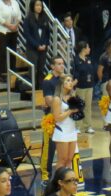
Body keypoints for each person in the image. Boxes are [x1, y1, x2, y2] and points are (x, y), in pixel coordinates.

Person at [41, 56, 65, 186]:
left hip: (63, 117)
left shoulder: (64, 79)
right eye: (59, 64)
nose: (62, 66)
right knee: (48, 149)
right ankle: (45, 175)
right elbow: (49, 101)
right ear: (52, 66)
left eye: (62, 64)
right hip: (50, 118)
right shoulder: (48, 81)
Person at [52, 75, 79, 170]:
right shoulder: (57, 99)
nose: (71, 82)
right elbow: (57, 118)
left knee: (69, 159)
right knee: (62, 160)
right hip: (62, 131)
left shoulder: (73, 96)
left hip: (72, 130)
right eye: (68, 80)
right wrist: (70, 111)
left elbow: (76, 114)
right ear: (62, 84)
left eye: (71, 80)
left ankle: (68, 182)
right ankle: (58, 182)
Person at [22, 0, 49, 89]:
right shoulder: (27, 19)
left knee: (41, 69)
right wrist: (37, 45)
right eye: (37, 5)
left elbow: (47, 34)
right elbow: (27, 35)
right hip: (32, 48)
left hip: (43, 48)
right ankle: (32, 89)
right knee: (33, 69)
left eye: (40, 5)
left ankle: (40, 89)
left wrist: (45, 44)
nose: (39, 7)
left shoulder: (45, 18)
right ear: (33, 6)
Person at [0, 0, 21, 83]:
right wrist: (9, 26)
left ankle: (13, 72)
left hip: (14, 31)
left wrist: (15, 25)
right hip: (2, 31)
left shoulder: (15, 2)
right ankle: (0, 74)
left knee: (13, 52)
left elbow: (19, 16)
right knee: (3, 52)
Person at [74, 41, 96, 134]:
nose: (89, 49)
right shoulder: (76, 60)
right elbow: (75, 73)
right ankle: (77, 126)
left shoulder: (88, 59)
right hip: (80, 87)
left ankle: (88, 126)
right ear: (83, 49)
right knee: (80, 106)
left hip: (89, 86)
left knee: (88, 107)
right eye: (88, 47)